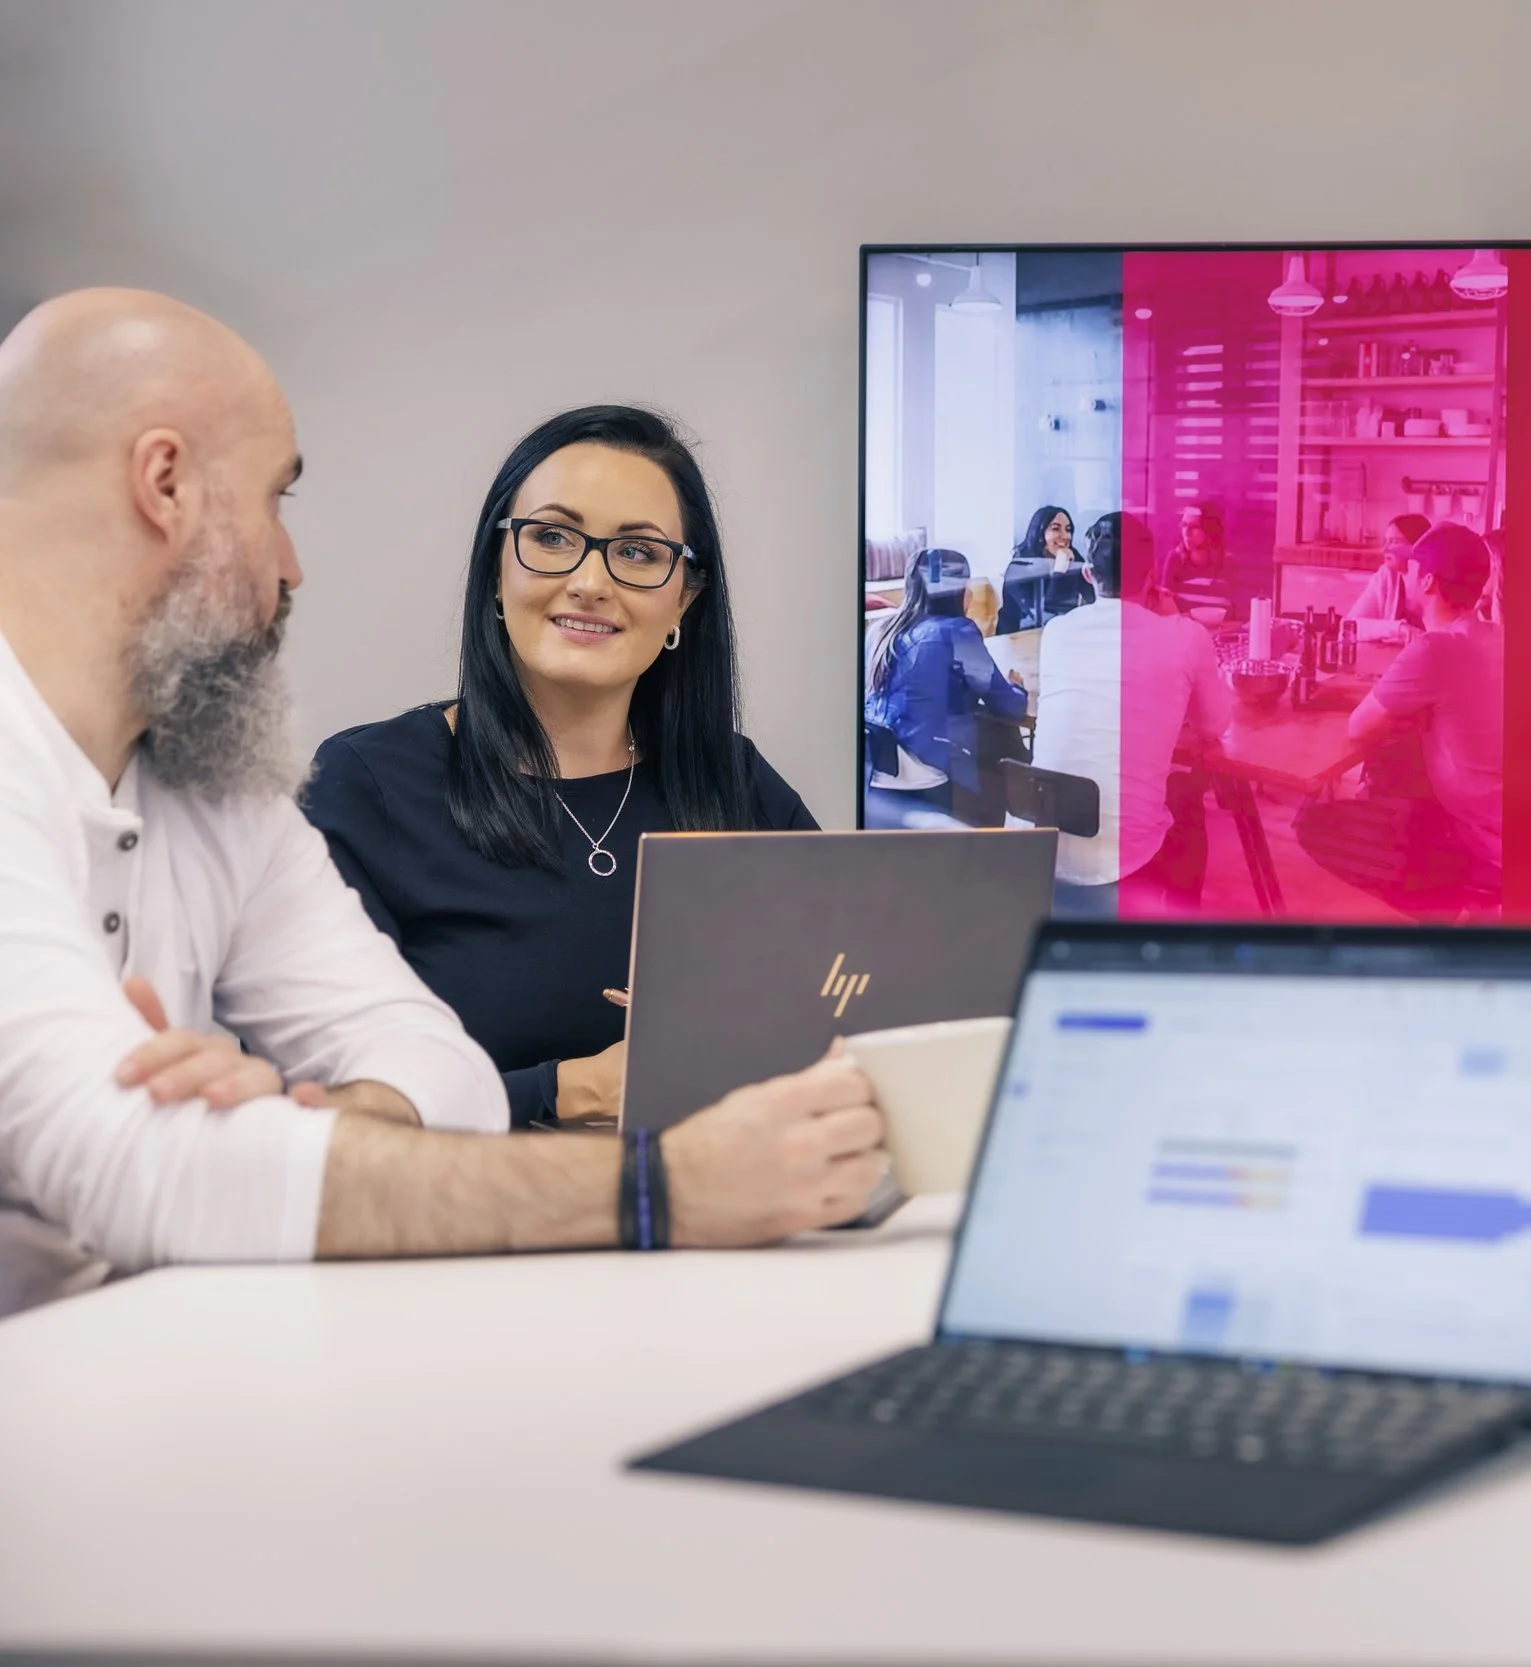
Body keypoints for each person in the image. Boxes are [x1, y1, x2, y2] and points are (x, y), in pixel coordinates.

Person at [0, 290, 883, 1316]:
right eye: (276, 500)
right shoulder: (355, 777)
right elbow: (133, 1171)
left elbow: (448, 1075)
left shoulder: (218, 794)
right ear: (167, 485)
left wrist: (321, 1124)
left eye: (639, 554)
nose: (293, 564)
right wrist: (667, 1186)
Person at [301, 406, 817, 1131]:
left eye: (638, 553)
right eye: (551, 537)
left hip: (724, 1220)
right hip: (463, 1231)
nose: (590, 580)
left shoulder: (731, 778)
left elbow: (855, 1016)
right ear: (495, 569)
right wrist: (576, 1089)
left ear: (685, 599)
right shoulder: (368, 782)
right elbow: (316, 1109)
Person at [1024, 511, 1230, 916]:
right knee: (1188, 800)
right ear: (1153, 575)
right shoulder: (1186, 636)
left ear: (1087, 574)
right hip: (1125, 858)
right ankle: (1181, 925)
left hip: (1045, 842)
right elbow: (1216, 724)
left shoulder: (1058, 631)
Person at [1298, 521, 1505, 914]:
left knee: (1315, 825)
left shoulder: (1436, 648)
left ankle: (1446, 904)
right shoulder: (1496, 636)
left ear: (1427, 582)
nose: (1403, 574)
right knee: (1400, 767)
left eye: (1410, 568)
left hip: (1482, 830)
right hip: (1512, 811)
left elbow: (1359, 728)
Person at [862, 546, 1027, 822]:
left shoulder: (881, 630)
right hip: (924, 768)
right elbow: (1009, 705)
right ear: (959, 590)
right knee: (1001, 741)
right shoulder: (957, 632)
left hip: (875, 769)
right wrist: (1018, 687)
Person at [993, 505, 1092, 634]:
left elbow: (1092, 599)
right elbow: (1045, 615)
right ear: (1039, 533)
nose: (1065, 536)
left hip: (1060, 636)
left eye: (1068, 530)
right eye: (1056, 529)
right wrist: (1060, 572)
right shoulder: (1019, 567)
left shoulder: (1072, 559)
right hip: (1019, 640)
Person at [1348, 513, 1433, 629]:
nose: (1385, 549)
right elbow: (1350, 625)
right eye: (1386, 541)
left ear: (1417, 546)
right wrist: (1398, 628)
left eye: (1394, 542)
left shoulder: (1434, 581)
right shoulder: (1386, 575)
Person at [1157, 500, 1232, 618]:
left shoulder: (1228, 564)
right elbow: (1164, 612)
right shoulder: (1175, 560)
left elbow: (1239, 615)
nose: (1186, 532)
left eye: (1194, 527)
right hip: (1184, 634)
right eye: (1184, 525)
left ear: (1210, 530)